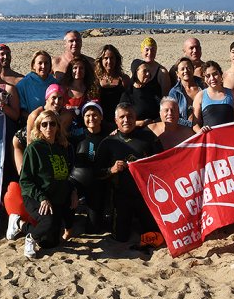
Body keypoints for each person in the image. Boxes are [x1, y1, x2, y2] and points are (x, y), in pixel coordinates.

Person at [95, 103, 163, 243]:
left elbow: (162, 163)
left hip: (146, 196)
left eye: (130, 116)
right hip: (120, 197)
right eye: (122, 117)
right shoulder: (108, 143)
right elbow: (96, 173)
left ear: (135, 118)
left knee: (154, 238)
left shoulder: (148, 138)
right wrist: (111, 170)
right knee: (120, 239)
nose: (126, 120)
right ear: (116, 121)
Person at [19, 110, 79, 258]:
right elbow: (25, 180)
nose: (48, 128)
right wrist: (42, 198)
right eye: (44, 124)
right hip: (35, 196)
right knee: (49, 222)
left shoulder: (62, 148)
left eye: (52, 124)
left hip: (56, 197)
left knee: (50, 242)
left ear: (58, 126)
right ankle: (29, 237)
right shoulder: (34, 149)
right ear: (39, 127)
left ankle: (20, 225)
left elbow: (66, 176)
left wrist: (73, 191)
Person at [70, 101, 110, 233]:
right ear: (83, 118)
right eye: (87, 115)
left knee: (92, 228)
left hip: (98, 182)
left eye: (94, 115)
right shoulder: (77, 135)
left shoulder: (109, 135)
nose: (91, 118)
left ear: (101, 117)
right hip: (78, 181)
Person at [193, 61, 234, 132]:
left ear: (220, 75)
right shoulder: (200, 96)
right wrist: (200, 131)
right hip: (210, 140)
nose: (212, 78)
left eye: (215, 74)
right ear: (204, 79)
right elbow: (195, 124)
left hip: (229, 138)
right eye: (208, 76)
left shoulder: (232, 94)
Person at [94, 44, 130, 132]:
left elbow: (129, 102)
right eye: (106, 58)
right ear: (101, 61)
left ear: (117, 59)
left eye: (112, 58)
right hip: (101, 122)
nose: (109, 61)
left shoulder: (124, 79)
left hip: (120, 122)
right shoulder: (96, 79)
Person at [61, 55, 97, 138]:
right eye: (75, 68)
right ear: (70, 70)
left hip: (85, 130)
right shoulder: (63, 89)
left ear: (85, 71)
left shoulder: (91, 90)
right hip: (65, 131)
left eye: (81, 68)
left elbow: (95, 111)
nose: (78, 71)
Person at [16, 50, 58, 120]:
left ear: (50, 65)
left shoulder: (54, 83)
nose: (43, 66)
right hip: (32, 122)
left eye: (46, 63)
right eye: (40, 63)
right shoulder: (23, 84)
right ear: (33, 65)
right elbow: (21, 111)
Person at [121, 60, 164, 127]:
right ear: (136, 73)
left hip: (156, 128)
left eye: (149, 71)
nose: (148, 74)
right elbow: (122, 120)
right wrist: (142, 123)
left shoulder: (154, 90)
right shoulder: (128, 95)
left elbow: (162, 109)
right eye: (144, 71)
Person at [168, 56, 205, 127]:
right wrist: (191, 124)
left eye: (188, 68)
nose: (186, 71)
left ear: (193, 69)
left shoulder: (204, 85)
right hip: (184, 129)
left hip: (206, 126)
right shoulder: (174, 92)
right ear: (177, 73)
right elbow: (173, 117)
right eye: (182, 69)